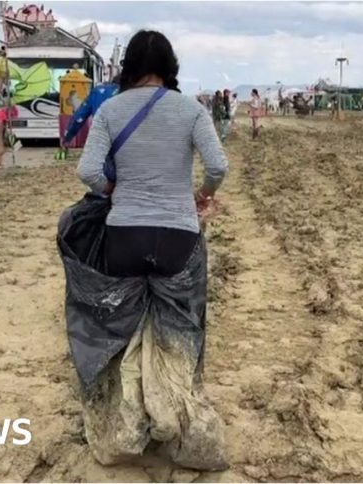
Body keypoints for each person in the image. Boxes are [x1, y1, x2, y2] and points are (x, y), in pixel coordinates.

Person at [74, 29, 228, 470]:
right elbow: (218, 164)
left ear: (129, 69)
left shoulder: (109, 109)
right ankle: (176, 418)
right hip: (178, 237)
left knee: (125, 331)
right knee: (178, 330)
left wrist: (114, 188)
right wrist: (203, 193)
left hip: (124, 234)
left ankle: (126, 424)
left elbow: (87, 171)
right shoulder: (191, 110)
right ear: (169, 66)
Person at [63, 76, 119, 146]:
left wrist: (67, 138)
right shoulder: (130, 93)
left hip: (100, 137)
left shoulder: (97, 92)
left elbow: (79, 117)